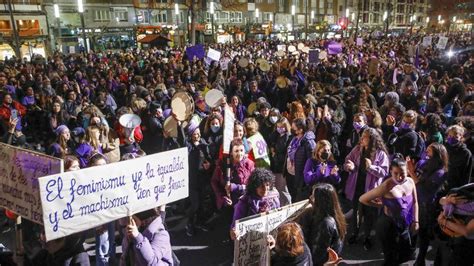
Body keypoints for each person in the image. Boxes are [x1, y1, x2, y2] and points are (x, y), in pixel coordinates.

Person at [360, 154, 419, 265]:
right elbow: (363, 199)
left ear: (407, 171)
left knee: (405, 254)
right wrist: (380, 205)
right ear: (390, 172)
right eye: (395, 173)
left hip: (406, 223)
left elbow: (415, 202)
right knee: (390, 256)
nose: (399, 177)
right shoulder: (386, 186)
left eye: (403, 173)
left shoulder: (410, 182)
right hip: (389, 225)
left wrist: (416, 221)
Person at [344, 127, 389, 249]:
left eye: (364, 137)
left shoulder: (381, 154)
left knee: (370, 215)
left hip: (371, 190)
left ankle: (368, 237)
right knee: (356, 213)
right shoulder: (358, 149)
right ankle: (355, 233)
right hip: (357, 187)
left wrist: (371, 167)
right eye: (362, 136)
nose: (361, 139)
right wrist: (350, 166)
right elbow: (347, 159)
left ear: (372, 139)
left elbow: (384, 172)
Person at [407, 143, 448, 265]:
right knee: (416, 229)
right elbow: (416, 177)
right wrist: (411, 169)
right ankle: (413, 252)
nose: (426, 153)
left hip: (427, 205)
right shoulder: (425, 163)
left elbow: (424, 187)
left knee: (424, 233)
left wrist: (411, 172)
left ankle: (421, 258)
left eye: (429, 151)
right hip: (416, 200)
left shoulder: (440, 172)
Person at [297, 183, 347, 266]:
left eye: (313, 196)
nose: (310, 198)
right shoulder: (334, 215)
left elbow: (318, 252)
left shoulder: (326, 223)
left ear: (321, 201)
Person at [230, 168, 280, 239]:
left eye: (267, 185)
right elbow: (236, 224)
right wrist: (234, 231)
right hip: (252, 239)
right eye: (261, 186)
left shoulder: (274, 198)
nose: (265, 189)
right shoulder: (245, 202)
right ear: (255, 187)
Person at [436, 184, 474, 266]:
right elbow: (441, 199)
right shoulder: (469, 188)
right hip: (450, 241)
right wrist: (447, 200)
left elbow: (467, 231)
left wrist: (443, 221)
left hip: (465, 248)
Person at [285, 118, 316, 201]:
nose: (291, 129)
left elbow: (312, 161)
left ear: (300, 130)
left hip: (301, 178)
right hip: (292, 173)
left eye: (293, 128)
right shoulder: (294, 139)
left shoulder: (308, 142)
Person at [444, 125, 473, 191]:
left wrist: (461, 191)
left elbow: (466, 175)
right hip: (441, 183)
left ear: (461, 137)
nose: (451, 138)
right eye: (450, 136)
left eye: (455, 136)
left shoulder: (466, 153)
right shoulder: (445, 147)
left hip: (454, 187)